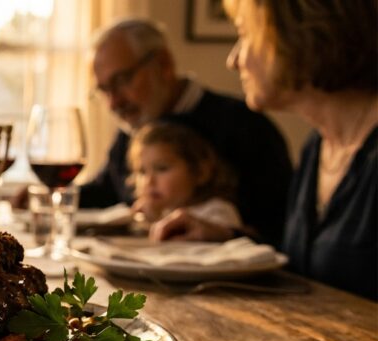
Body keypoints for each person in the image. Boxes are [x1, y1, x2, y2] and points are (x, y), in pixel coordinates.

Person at [152, 0, 377, 300]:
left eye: (245, 35)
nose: (233, 60)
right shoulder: (318, 147)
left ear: (295, 35)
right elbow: (309, 270)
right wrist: (227, 237)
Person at [82, 18, 292, 245]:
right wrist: (41, 197)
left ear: (164, 64)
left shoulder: (246, 126)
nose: (113, 103)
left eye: (122, 80)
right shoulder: (134, 126)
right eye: (104, 90)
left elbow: (281, 232)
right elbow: (102, 194)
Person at [129, 120, 241, 230]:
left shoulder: (218, 212)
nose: (149, 181)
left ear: (200, 172)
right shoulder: (163, 212)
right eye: (142, 171)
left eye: (162, 168)